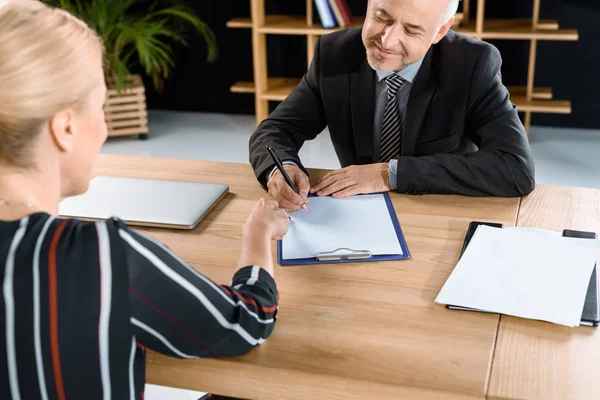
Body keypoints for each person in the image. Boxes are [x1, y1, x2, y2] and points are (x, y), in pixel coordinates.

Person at [0, 1, 289, 399]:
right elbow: (247, 322)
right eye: (98, 107)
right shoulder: (104, 257)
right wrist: (259, 232)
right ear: (65, 128)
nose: (102, 128)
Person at [249, 0, 536, 211]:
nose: (386, 40)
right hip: (355, 213)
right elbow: (275, 130)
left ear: (440, 31)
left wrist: (389, 174)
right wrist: (280, 168)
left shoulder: (473, 65)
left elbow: (515, 168)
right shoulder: (334, 53)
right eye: (381, 17)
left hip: (436, 210)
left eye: (411, 30)